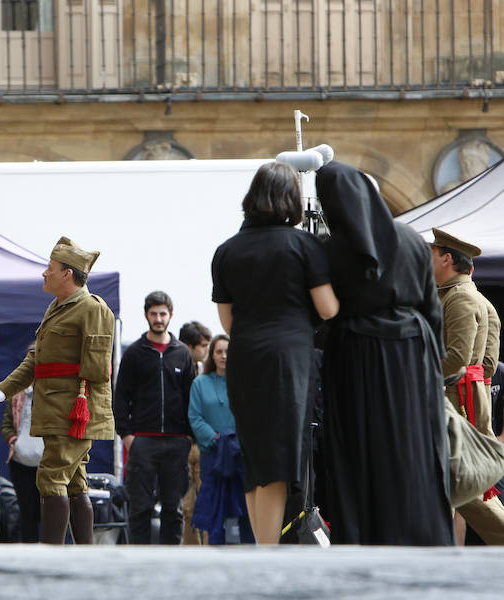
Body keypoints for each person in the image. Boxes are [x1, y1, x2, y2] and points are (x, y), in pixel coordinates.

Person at [316, 161, 453, 545]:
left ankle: (369, 535)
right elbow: (431, 307)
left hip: (358, 358)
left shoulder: (331, 250)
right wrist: (433, 360)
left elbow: (323, 314)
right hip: (414, 353)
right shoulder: (410, 239)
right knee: (416, 445)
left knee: (365, 451)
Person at [211, 161, 339, 545]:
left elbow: (228, 322)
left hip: (246, 357)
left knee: (256, 460)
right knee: (281, 460)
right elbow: (328, 307)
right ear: (290, 200)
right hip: (288, 359)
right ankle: (267, 557)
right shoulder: (303, 245)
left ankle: (262, 546)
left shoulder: (226, 251)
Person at [0, 236, 115, 545]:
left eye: (50, 268)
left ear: (67, 273)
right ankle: (85, 552)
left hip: (73, 411)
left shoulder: (91, 308)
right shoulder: (57, 308)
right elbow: (36, 361)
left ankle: (51, 554)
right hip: (56, 409)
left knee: (51, 476)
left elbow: (97, 370)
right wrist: (3, 391)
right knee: (73, 482)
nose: (45, 273)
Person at [430, 228, 504, 545]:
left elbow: (457, 358)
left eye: (432, 255)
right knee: (463, 485)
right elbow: (486, 365)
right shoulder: (470, 296)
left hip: (455, 401)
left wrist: (421, 377)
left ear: (447, 259)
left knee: (468, 485)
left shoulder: (458, 298)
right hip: (468, 400)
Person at [113, 290, 195, 545]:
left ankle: (172, 562)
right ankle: (138, 561)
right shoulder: (135, 353)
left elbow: (191, 396)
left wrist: (189, 436)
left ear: (170, 315)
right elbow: (120, 396)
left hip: (176, 442)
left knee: (174, 508)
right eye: (154, 313)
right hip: (143, 442)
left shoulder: (182, 353)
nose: (158, 318)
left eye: (163, 313)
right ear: (146, 315)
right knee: (140, 508)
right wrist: (127, 435)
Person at [188, 334, 254, 544]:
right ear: (212, 355)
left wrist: (237, 442)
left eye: (227, 351)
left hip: (240, 455)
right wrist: (217, 439)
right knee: (215, 514)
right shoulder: (200, 383)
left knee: (247, 511)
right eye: (218, 351)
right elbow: (195, 417)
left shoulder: (245, 382)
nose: (224, 356)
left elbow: (252, 415)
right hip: (213, 456)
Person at [0, 345, 44, 542]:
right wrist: (14, 442)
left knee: (49, 512)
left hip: (48, 462)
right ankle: (30, 552)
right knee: (27, 513)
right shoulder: (17, 393)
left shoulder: (54, 392)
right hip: (20, 461)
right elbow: (6, 425)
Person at [178, 320, 212, 545]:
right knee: (188, 505)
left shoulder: (204, 372)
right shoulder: (180, 373)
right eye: (204, 345)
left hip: (201, 445)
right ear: (190, 346)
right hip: (184, 443)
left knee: (205, 502)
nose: (207, 350)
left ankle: (206, 546)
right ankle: (192, 548)